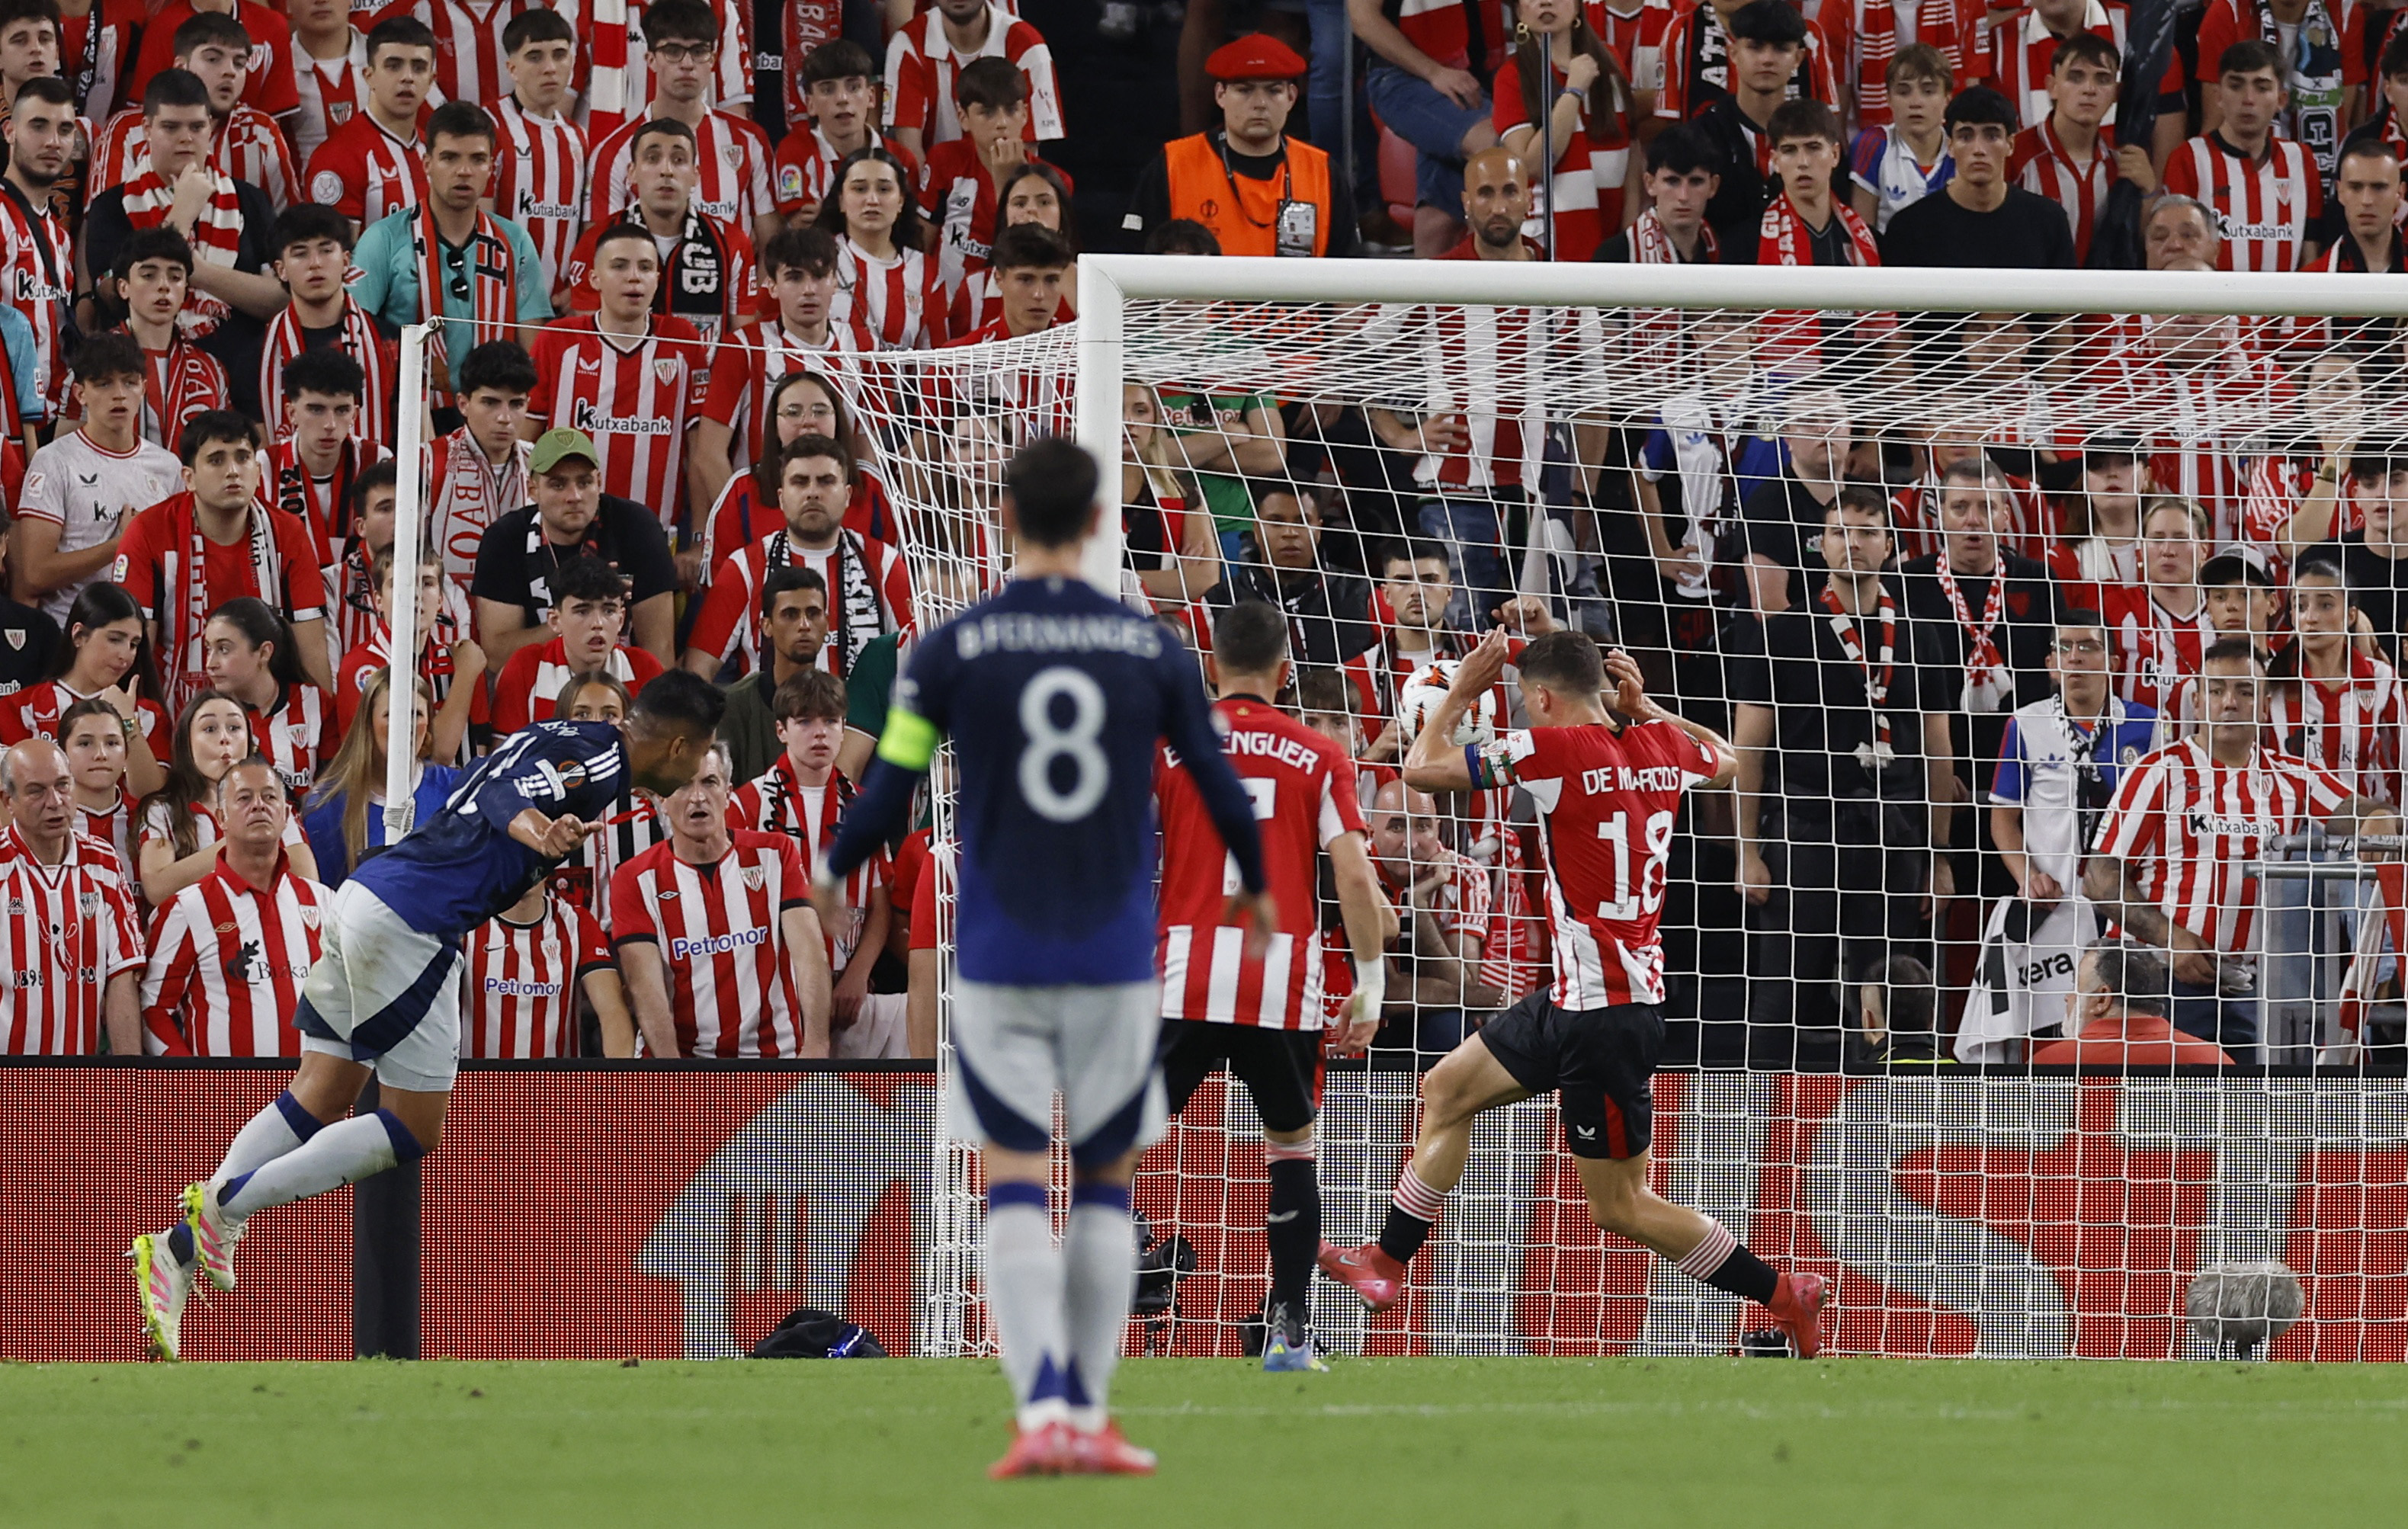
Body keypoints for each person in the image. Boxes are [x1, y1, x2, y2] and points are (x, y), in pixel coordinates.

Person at [814, 438, 1271, 1476]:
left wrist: (836, 866)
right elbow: (1214, 777)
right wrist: (1256, 882)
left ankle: (1039, 1415)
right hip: (1113, 953)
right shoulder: (1150, 646)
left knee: (1013, 1178)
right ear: (1101, 518)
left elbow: (889, 786)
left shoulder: (950, 648)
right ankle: (1092, 1411)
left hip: (997, 952)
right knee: (1104, 1183)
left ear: (1008, 516)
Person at [128, 669, 724, 1361]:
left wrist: (537, 826)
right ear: (679, 746)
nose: (692, 777)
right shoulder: (601, 761)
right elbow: (503, 796)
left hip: (366, 897)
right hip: (411, 923)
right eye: (697, 760)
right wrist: (537, 830)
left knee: (323, 1090)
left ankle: (178, 1250)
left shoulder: (571, 734)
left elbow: (497, 778)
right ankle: (221, 1211)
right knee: (412, 1127)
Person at [1319, 627, 1829, 1351]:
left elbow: (1422, 769)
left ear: (1542, 697)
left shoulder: (1549, 750)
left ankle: (1783, 1293)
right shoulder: (1660, 745)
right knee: (1446, 1088)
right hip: (1578, 998)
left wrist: (1462, 692)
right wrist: (1649, 709)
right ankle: (1384, 1262)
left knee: (1620, 1206)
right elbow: (1726, 758)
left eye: (1524, 700)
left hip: (1604, 1017)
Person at [1153, 601, 1387, 1370]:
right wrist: (1370, 983)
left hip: (1185, 970)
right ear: (1285, 673)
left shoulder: (1169, 742)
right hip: (1279, 977)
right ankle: (1288, 1331)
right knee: (1291, 1148)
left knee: (1117, 1138)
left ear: (1211, 666)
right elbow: (1354, 875)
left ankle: (1083, 1302)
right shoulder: (1319, 752)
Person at [2088, 637, 2399, 1062]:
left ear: (2265, 705)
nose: (2230, 703)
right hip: (2151, 979)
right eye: (2216, 691)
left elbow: (2367, 812)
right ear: (2197, 702)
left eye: (2245, 691)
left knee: (2241, 1099)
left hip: (2242, 985)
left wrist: (2380, 817)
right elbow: (2099, 878)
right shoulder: (2158, 772)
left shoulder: (2291, 777)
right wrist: (2170, 939)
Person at [1731, 489, 1954, 1056]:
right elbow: (1747, 749)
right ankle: (1761, 1106)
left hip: (1893, 833)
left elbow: (1939, 751)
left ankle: (1889, 1105)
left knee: (1889, 994)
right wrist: (1747, 851)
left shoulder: (1921, 632)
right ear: (1821, 545)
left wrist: (1938, 857)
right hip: (1806, 828)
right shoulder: (1781, 633)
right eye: (1839, 532)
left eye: (1867, 532)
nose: (1852, 543)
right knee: (1783, 988)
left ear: (1890, 546)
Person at [1955, 609, 2160, 1062]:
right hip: (2056, 906)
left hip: (2129, 904)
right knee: (2056, 1032)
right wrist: (2027, 876)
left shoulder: (2149, 726)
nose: (2075, 657)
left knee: (2127, 1028)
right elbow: (2003, 819)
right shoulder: (2025, 723)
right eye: (2064, 648)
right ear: (2050, 664)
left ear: (2112, 661)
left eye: (2088, 646)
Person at [611, 741, 830, 1058]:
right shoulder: (634, 879)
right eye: (682, 785)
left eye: (709, 782)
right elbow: (646, 989)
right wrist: (673, 1075)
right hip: (684, 1061)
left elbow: (810, 955)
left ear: (728, 794)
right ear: (662, 800)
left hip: (776, 1059)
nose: (698, 797)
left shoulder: (776, 854)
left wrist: (817, 1047)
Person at [726, 669, 902, 1058]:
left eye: (831, 721)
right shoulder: (745, 805)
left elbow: (880, 906)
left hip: (848, 989)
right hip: (770, 995)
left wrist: (858, 974)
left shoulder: (865, 808)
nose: (819, 733)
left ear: (844, 729)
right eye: (805, 721)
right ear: (781, 730)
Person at [112, 411, 333, 708]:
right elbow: (135, 652)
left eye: (243, 458)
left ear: (258, 471)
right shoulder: (148, 531)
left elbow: (312, 651)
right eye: (216, 460)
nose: (233, 471)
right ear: (189, 478)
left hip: (266, 711)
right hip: (173, 706)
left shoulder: (288, 532)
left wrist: (325, 728)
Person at [348, 100, 552, 398]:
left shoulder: (516, 241)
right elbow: (356, 334)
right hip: (410, 410)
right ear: (427, 164)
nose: (464, 171)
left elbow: (532, 347)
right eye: (450, 158)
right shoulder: (383, 239)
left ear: (492, 168)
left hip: (493, 411)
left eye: (477, 159)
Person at [526, 220, 710, 542]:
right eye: (619, 266)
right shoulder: (557, 340)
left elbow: (698, 452)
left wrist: (698, 538)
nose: (634, 277)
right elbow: (524, 446)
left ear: (657, 279)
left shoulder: (683, 341)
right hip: (566, 533)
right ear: (594, 278)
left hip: (655, 536)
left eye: (645, 267)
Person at [139, 755, 330, 1057]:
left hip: (314, 1087)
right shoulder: (186, 909)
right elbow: (153, 1009)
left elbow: (349, 999)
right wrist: (191, 1078)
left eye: (270, 797)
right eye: (244, 798)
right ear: (221, 817)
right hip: (223, 1087)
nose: (259, 806)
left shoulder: (324, 902)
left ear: (286, 815)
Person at [78, 66, 284, 345]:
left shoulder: (250, 200)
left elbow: (282, 298)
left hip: (239, 364)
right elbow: (113, 297)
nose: (186, 138)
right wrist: (181, 216)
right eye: (171, 127)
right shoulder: (111, 206)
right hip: (143, 362)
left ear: (209, 127)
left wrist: (201, 273)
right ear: (147, 129)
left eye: (197, 127)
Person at [682, 433, 915, 680]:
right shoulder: (743, 567)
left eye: (826, 481)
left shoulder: (885, 563)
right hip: (770, 705)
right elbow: (699, 668)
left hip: (861, 706)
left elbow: (917, 656)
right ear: (781, 498)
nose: (813, 493)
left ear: (847, 495)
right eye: (800, 482)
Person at [688, 226, 872, 511]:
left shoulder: (861, 345)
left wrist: (856, 517)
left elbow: (866, 450)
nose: (809, 289)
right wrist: (745, 520)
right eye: (794, 277)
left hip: (835, 516)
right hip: (761, 509)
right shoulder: (743, 348)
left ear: (835, 282)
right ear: (772, 286)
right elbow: (709, 454)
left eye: (819, 276)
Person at [1126, 34, 1355, 258]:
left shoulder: (1322, 172)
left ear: (1291, 97)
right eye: (1244, 90)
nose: (1260, 103)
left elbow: (1350, 270)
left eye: (1274, 91)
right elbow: (1132, 262)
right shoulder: (1174, 165)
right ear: (1220, 95)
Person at [467, 426, 678, 668]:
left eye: (585, 482)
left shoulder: (636, 527)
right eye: (558, 485)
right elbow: (497, 657)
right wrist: (581, 609)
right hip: (535, 681)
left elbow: (660, 651)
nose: (575, 496)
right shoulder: (505, 538)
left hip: (621, 680)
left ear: (599, 483)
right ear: (533, 490)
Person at [12, 334, 181, 624]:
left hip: (144, 633)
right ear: (80, 394)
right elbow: (35, 574)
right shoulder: (53, 461)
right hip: (71, 633)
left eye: (129, 382)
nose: (119, 394)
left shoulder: (168, 467)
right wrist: (120, 545)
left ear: (144, 388)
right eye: (104, 384)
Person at [584, 1, 775, 245]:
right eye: (673, 51)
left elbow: (772, 247)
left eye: (699, 51)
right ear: (650, 59)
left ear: (713, 59)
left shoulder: (750, 141)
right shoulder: (613, 153)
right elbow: (599, 251)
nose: (687, 64)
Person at [0, 736, 145, 1056]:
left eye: (63, 786)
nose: (55, 802)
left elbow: (121, 976)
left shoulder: (104, 862)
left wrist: (128, 1077)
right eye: (36, 791)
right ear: (8, 801)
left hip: (79, 1075)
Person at [136, 690, 318, 906]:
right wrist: (237, 842)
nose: (224, 738)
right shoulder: (163, 809)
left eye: (234, 728)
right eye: (210, 729)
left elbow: (308, 884)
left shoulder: (274, 805)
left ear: (250, 742)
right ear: (187, 743)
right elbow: (157, 889)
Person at [1490, 0, 1638, 261]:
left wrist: (1628, 238)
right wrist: (1573, 91)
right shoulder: (1511, 77)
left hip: (1612, 240)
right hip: (1546, 242)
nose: (1546, 2)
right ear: (1519, 11)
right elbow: (1534, 165)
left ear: (1578, 7)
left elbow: (1632, 155)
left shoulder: (1609, 61)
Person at [918, 56, 1071, 300]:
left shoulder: (1054, 182)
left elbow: (1043, 258)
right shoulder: (944, 160)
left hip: (1018, 303)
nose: (1001, 123)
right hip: (947, 302)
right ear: (963, 117)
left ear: (1025, 113)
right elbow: (922, 242)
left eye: (1011, 110)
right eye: (987, 112)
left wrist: (1009, 183)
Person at [2163, 40, 2322, 273]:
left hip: (2284, 297)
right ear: (2218, 96)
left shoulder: (2300, 159)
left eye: (2262, 88)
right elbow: (2177, 255)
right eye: (2236, 86)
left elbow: (2311, 253)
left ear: (2281, 100)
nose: (2248, 99)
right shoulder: (2189, 158)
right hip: (2212, 296)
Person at [1880, 85, 2078, 268]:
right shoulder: (1909, 229)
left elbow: (2066, 294)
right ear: (1950, 146)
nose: (1979, 149)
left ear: (2010, 145)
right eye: (1966, 137)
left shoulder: (2049, 222)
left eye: (1991, 136)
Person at [0, 582, 166, 799]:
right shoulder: (19, 708)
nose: (125, 655)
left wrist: (128, 723)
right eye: (115, 639)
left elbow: (154, 797)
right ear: (78, 636)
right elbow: (10, 797)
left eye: (134, 644)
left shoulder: (148, 713)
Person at [257, 204, 403, 449]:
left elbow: (419, 434)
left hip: (378, 472)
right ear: (281, 270)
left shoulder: (392, 341)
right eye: (300, 253)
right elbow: (259, 455)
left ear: (346, 261)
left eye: (326, 251)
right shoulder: (259, 353)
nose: (315, 263)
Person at [300, 664, 459, 887]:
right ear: (369, 724)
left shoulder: (456, 791)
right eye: (391, 714)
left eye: (416, 714)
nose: (405, 726)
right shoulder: (326, 807)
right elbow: (326, 898)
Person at [1365, 776, 1490, 1056]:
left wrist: (1419, 906)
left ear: (1438, 828)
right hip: (1363, 1010)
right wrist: (1492, 997)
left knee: (1451, 1028)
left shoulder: (1466, 876)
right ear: (1371, 831)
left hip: (1434, 1015)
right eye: (1396, 827)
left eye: (1422, 827)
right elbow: (1380, 991)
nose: (1411, 843)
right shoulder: (1358, 868)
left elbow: (1464, 984)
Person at [2267, 553, 2403, 805]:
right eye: (2301, 606)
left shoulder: (2382, 679)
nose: (2311, 618)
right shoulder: (2268, 681)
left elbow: (2400, 768)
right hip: (2288, 824)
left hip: (2362, 822)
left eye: (2326, 605)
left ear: (2351, 615)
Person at [334, 541, 484, 764]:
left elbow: (480, 751)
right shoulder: (360, 667)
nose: (415, 593)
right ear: (378, 600)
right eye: (401, 583)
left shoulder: (460, 658)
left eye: (427, 583)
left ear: (441, 600)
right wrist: (465, 676)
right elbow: (431, 757)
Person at [2008, 30, 2148, 264]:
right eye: (2076, 77)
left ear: (2117, 93)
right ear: (2052, 86)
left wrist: (2149, 191)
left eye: (2103, 79)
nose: (2089, 89)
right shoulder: (2014, 153)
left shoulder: (2124, 160)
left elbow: (2145, 243)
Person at [1197, 484, 1374, 666]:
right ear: (1256, 530)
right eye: (1276, 522)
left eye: (1302, 522)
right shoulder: (1218, 602)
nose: (1290, 533)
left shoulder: (1363, 595)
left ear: (1319, 530)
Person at [717, 566, 864, 784]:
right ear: (767, 626)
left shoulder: (849, 702)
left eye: (813, 614)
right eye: (790, 614)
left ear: (827, 624)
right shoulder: (733, 705)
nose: (804, 625)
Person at [488, 554, 663, 733]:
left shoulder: (645, 668)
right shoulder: (525, 668)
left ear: (621, 619)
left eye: (608, 611)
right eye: (583, 611)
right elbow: (505, 750)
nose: (598, 623)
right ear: (555, 620)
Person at [460, 876, 630, 1058]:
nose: (526, 869)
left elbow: (612, 1011)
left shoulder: (577, 923)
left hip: (556, 1076)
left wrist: (619, 1075)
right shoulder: (462, 924)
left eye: (534, 861)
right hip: (475, 1075)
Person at [489, 7, 588, 307]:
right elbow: (475, 224)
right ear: (512, 68)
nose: (550, 68)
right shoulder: (489, 127)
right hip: (499, 301)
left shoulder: (578, 137)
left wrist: (576, 290)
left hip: (560, 305)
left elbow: (586, 229)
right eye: (535, 57)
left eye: (560, 55)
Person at [256, 348, 383, 583]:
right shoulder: (262, 468)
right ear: (291, 413)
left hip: (363, 595)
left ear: (355, 415)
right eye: (316, 409)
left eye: (342, 410)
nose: (330, 424)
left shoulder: (377, 461)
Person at [883, 0, 1065, 162]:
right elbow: (910, 151)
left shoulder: (1027, 45)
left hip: (1005, 183)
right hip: (934, 184)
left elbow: (1026, 152)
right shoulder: (907, 44)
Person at [423, 341, 537, 596]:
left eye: (516, 404)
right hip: (444, 615)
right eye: (490, 403)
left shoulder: (540, 465)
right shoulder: (427, 462)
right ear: (463, 404)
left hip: (520, 614)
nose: (505, 418)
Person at [101, 230, 231, 449]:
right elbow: (67, 449)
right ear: (123, 287)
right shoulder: (95, 360)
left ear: (186, 290)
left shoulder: (210, 369)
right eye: (148, 275)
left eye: (175, 277)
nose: (164, 286)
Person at [302, 16, 434, 230]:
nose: (407, 77)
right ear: (369, 76)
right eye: (394, 66)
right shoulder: (338, 157)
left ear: (431, 80)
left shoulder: (435, 150)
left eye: (419, 68)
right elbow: (337, 249)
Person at [814, 145, 946, 348]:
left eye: (884, 189)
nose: (872, 200)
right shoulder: (812, 258)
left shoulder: (926, 273)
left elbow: (936, 357)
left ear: (900, 201)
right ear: (841, 200)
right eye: (860, 189)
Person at [771, 40, 915, 225]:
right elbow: (804, 228)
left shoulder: (902, 160)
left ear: (871, 97)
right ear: (810, 104)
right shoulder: (794, 151)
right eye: (827, 90)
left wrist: (827, 216)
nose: (842, 98)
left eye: (853, 87)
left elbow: (906, 227)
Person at [200, 597, 330, 801]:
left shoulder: (314, 702)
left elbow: (335, 789)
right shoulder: (206, 719)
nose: (210, 664)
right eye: (209, 649)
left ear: (264, 653)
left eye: (223, 649)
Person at [0, 76, 74, 424]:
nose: (53, 142)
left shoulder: (60, 237)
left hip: (43, 425)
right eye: (39, 126)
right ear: (10, 131)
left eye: (65, 129)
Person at [2029, 943, 2236, 1065]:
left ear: (2102, 1000)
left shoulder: (2049, 1063)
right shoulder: (2214, 1060)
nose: (2067, 997)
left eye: (2075, 987)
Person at [1848, 43, 1953, 235]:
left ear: (1947, 98)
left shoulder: (1961, 150)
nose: (1916, 103)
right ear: (1888, 98)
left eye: (1928, 91)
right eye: (1904, 92)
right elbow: (1863, 237)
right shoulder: (1873, 144)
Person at [2326, 443, 2408, 665]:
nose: (2382, 494)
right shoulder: (2325, 561)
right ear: (2356, 496)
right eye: (2370, 485)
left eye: (2396, 481)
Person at [1593, 120, 1721, 262]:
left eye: (1696, 182)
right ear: (1650, 183)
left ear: (1713, 186)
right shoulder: (1613, 257)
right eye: (1672, 181)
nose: (1683, 196)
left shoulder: (1727, 253)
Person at [62, 694, 146, 873]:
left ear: (126, 753)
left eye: (112, 743)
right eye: (85, 743)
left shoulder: (150, 818)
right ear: (63, 754)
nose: (101, 754)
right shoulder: (46, 821)